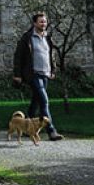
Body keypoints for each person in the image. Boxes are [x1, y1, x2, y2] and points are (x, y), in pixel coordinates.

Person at [12, 10, 63, 140]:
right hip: (32, 74)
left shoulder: (47, 37)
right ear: (35, 23)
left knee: (36, 100)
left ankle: (26, 124)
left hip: (45, 73)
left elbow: (51, 55)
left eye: (45, 21)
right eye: (41, 21)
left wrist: (53, 70)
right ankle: (52, 130)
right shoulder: (27, 38)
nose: (43, 24)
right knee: (44, 101)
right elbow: (18, 56)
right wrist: (17, 74)